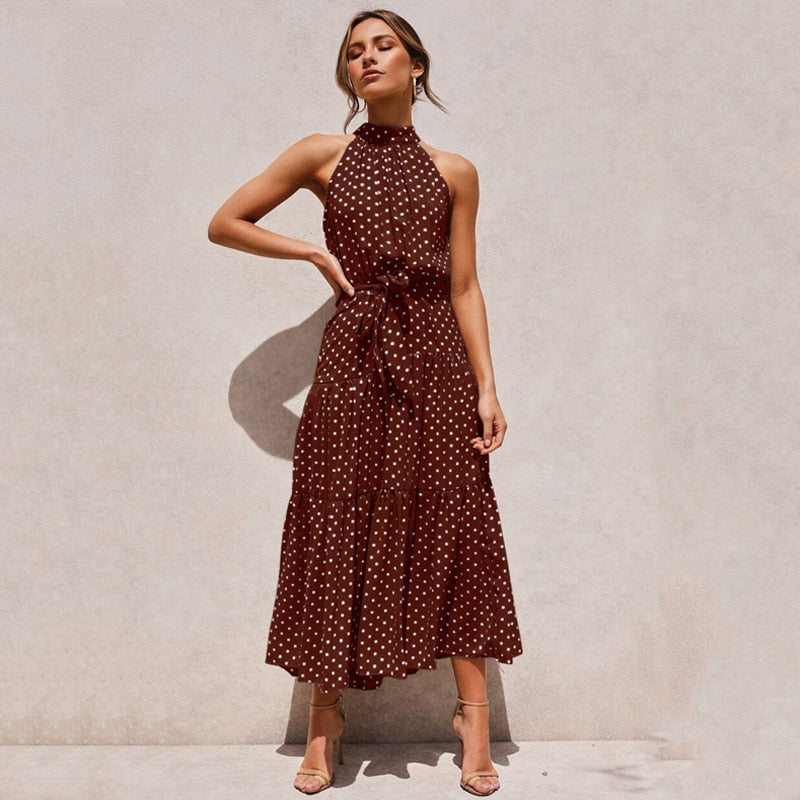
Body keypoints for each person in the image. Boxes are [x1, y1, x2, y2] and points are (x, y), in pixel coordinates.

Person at [208, 9, 522, 796]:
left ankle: (473, 720)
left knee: (454, 514)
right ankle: (326, 721)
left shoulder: (456, 171)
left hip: (438, 361)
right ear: (348, 74)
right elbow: (225, 222)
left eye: (383, 46)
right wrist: (313, 253)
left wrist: (487, 386)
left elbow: (463, 284)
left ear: (416, 64)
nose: (368, 59)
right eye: (355, 52)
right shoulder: (323, 153)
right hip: (353, 358)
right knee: (337, 515)